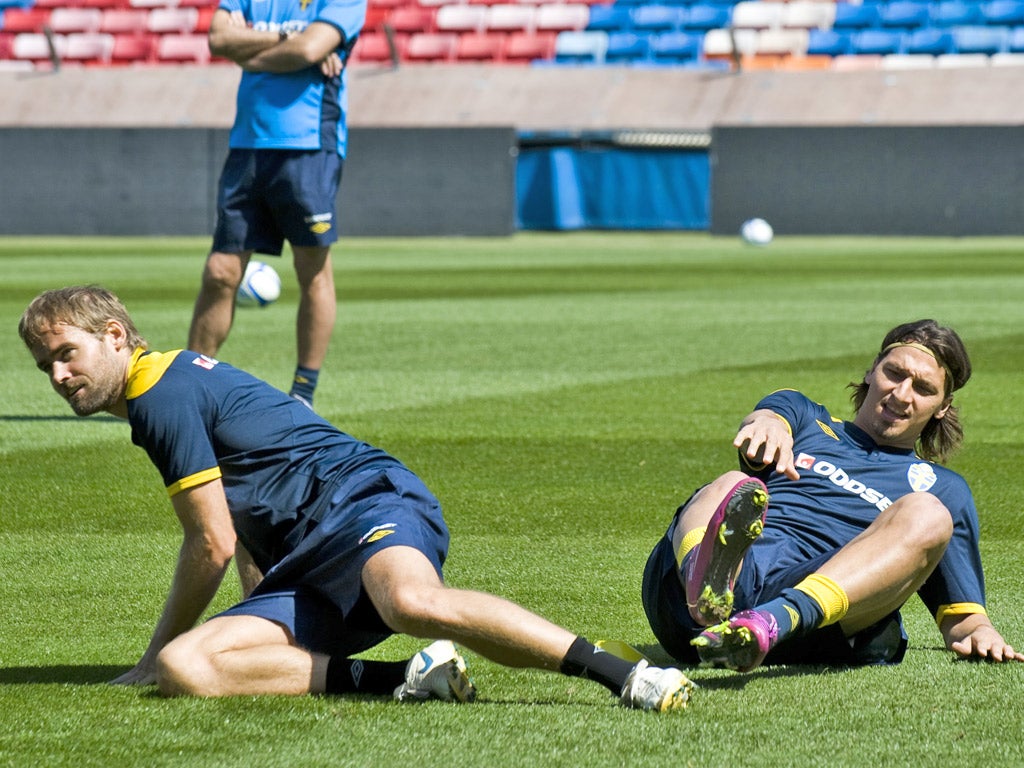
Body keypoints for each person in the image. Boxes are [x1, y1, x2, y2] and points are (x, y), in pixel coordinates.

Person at [19, 286, 693, 712]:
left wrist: (143, 657)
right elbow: (246, 519)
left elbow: (212, 541)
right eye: (45, 365)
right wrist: (245, 615)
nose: (58, 374)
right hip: (306, 563)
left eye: (67, 354)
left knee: (411, 603)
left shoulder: (160, 395)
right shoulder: (161, 391)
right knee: (187, 665)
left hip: (365, 500)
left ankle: (624, 672)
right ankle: (405, 679)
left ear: (114, 336)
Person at [642, 319, 1024, 672]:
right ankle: (702, 582)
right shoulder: (807, 417)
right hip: (701, 593)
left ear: (941, 408)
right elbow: (769, 416)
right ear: (871, 370)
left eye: (923, 389)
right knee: (730, 482)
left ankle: (774, 619)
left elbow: (963, 619)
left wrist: (980, 632)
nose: (902, 394)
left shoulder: (943, 488)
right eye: (894, 373)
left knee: (929, 513)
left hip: (806, 623)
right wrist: (768, 428)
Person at [187, 0, 365, 407]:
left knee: (312, 270)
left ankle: (303, 392)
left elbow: (308, 50)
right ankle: (191, 387)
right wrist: (286, 39)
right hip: (247, 147)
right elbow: (218, 39)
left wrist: (249, 52)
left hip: (308, 148)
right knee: (220, 272)